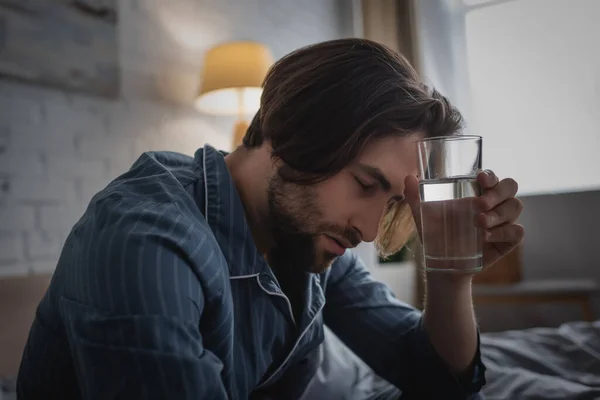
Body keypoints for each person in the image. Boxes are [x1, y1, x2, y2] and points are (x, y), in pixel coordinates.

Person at [17, 38, 524, 399]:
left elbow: (436, 378)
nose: (369, 231)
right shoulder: (145, 240)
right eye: (366, 185)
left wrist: (451, 274)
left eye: (391, 203)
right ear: (291, 138)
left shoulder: (309, 238)